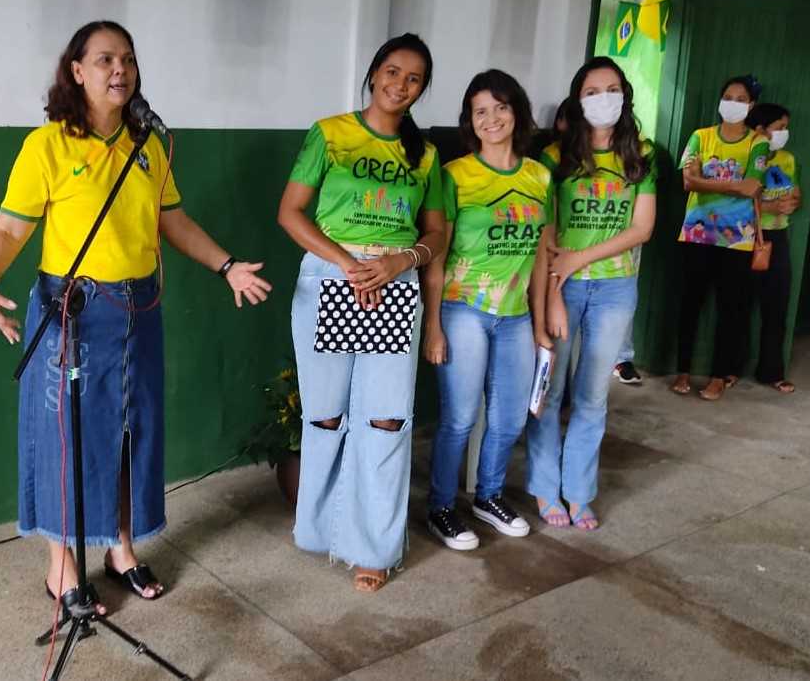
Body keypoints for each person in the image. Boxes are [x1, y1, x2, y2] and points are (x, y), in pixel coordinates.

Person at [0, 21, 271, 619]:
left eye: (127, 59)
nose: (119, 70)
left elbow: (171, 221)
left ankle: (120, 550)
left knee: (134, 430)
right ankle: (63, 567)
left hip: (138, 310)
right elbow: (8, 228)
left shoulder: (148, 146)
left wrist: (227, 265)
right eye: (105, 59)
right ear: (76, 70)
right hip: (72, 312)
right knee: (68, 440)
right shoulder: (47, 146)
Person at [278, 33, 447, 592]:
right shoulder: (330, 134)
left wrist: (401, 260)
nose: (401, 84)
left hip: (395, 284)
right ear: (373, 73)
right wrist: (349, 263)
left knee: (386, 418)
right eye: (393, 72)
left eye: (414, 78)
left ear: (422, 89)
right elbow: (292, 213)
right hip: (331, 276)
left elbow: (437, 231)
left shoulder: (424, 155)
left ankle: (374, 547)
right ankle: (324, 531)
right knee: (324, 415)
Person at [422, 69, 554, 550]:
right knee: (459, 417)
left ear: (517, 112)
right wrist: (432, 326)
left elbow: (541, 255)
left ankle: (488, 496)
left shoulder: (540, 176)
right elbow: (436, 256)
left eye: (501, 107)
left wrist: (540, 325)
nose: (492, 119)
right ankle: (441, 507)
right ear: (470, 121)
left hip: (517, 315)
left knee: (508, 419)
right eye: (481, 111)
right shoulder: (456, 175)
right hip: (464, 309)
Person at [528, 57, 657, 530]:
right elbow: (547, 235)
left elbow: (642, 228)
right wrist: (554, 292)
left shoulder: (642, 154)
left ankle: (579, 493)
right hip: (561, 285)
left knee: (592, 396)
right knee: (550, 387)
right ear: (577, 100)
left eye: (611, 88)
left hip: (615, 287)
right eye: (592, 90)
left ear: (624, 95)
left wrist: (580, 258)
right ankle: (545, 489)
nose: (603, 97)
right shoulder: (555, 157)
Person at [671, 76, 769, 401]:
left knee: (730, 311)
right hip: (696, 233)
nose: (733, 102)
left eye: (741, 98)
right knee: (688, 306)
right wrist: (732, 185)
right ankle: (682, 371)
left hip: (737, 240)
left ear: (751, 105)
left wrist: (705, 182)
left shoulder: (758, 142)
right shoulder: (700, 136)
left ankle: (717, 377)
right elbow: (687, 181)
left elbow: (753, 186)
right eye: (728, 96)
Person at [746, 102, 801, 393]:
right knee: (739, 305)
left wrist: (792, 202)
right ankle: (728, 370)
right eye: (780, 128)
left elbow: (796, 194)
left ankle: (771, 372)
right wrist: (769, 205)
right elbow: (737, 199)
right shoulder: (748, 156)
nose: (784, 133)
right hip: (747, 235)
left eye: (785, 128)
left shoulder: (788, 159)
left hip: (778, 238)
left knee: (776, 307)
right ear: (760, 129)